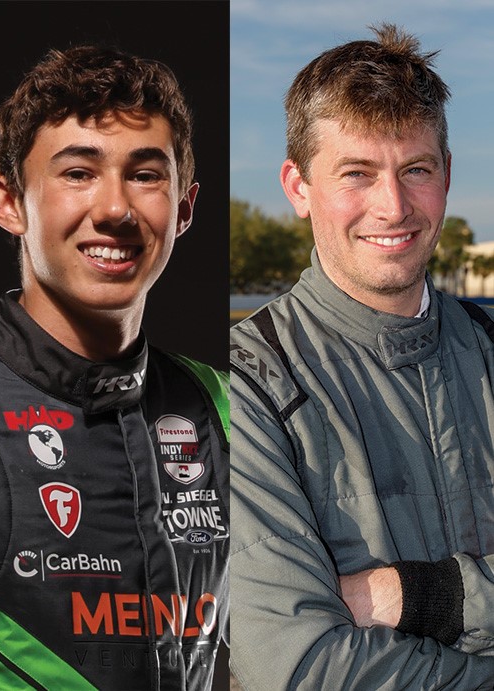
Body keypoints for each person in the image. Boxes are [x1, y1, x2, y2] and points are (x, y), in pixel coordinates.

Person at [0, 45, 229, 690]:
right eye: (77, 172)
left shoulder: (226, 405)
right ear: (8, 203)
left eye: (146, 175)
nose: (115, 208)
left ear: (183, 209)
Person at [230, 23, 494, 689]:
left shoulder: (487, 351)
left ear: (445, 175)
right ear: (297, 186)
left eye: (415, 170)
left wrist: (426, 596)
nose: (393, 205)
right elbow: (295, 666)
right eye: (357, 173)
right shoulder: (242, 387)